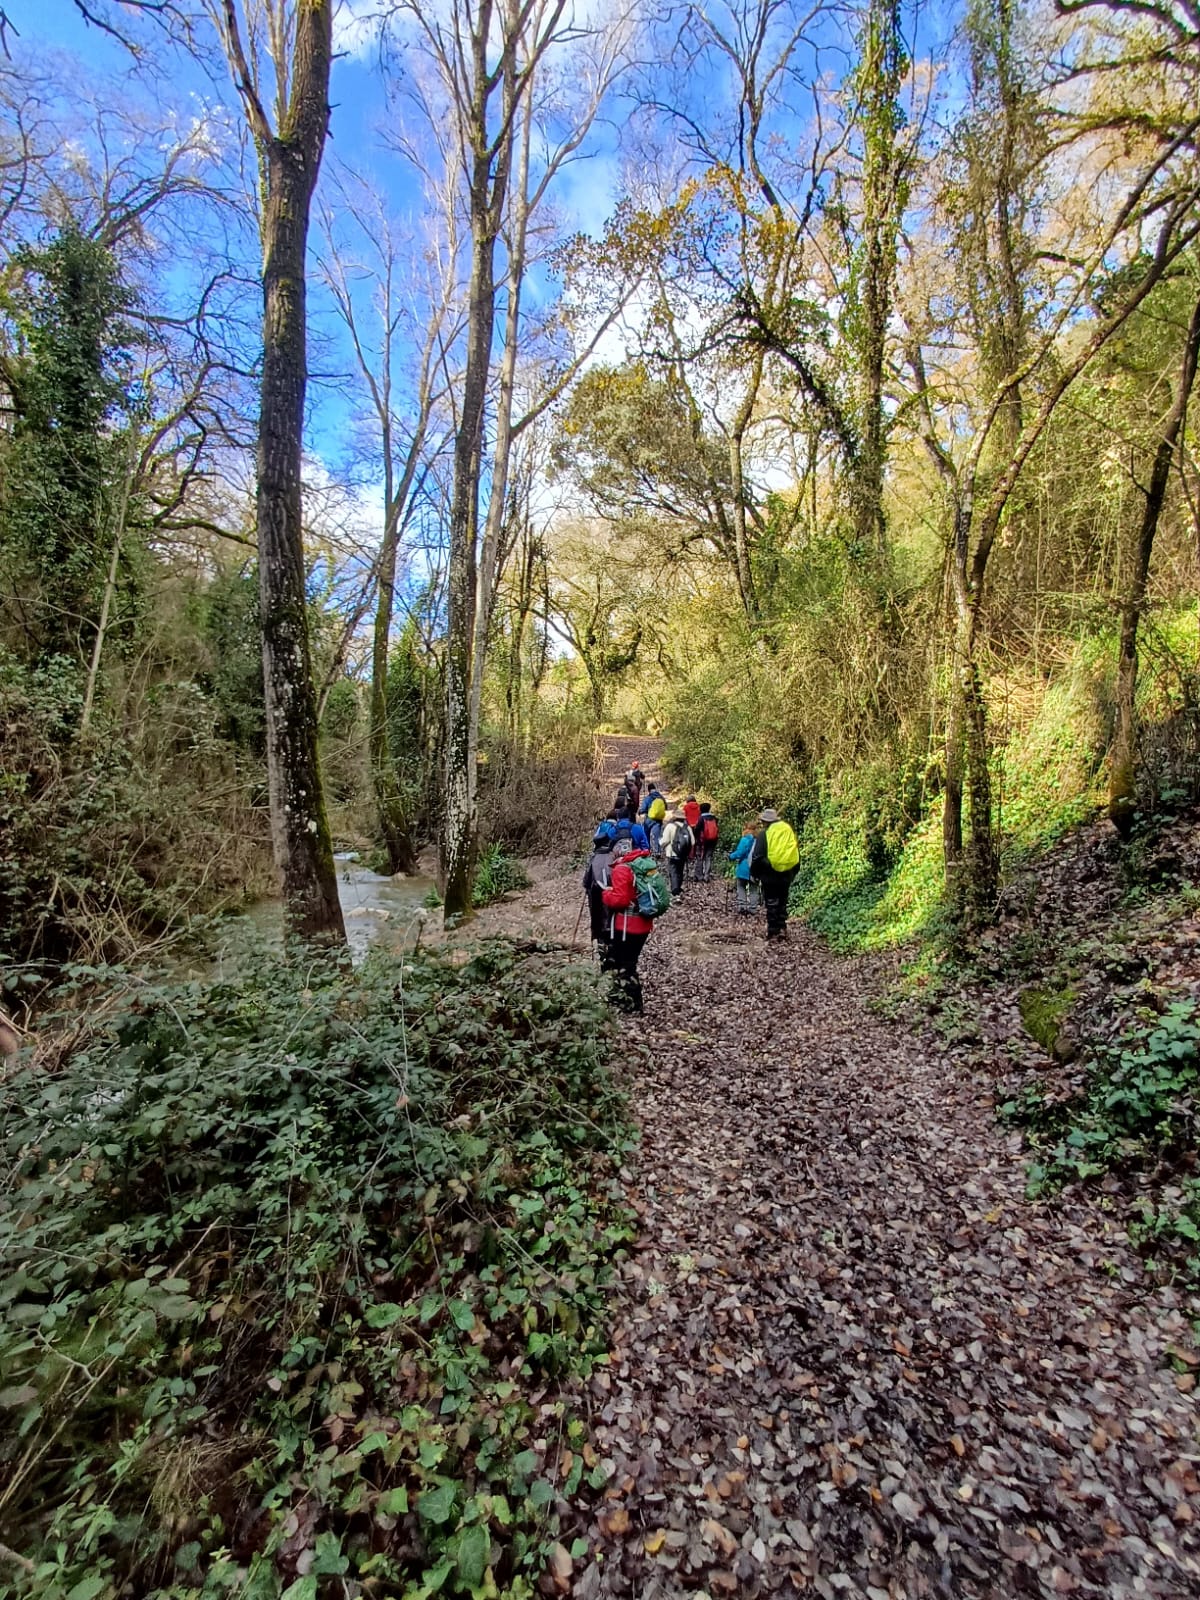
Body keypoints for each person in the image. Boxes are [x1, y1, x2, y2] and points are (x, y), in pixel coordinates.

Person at [600, 836, 656, 1014]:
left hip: (627, 926)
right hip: (643, 924)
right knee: (627, 962)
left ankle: (631, 1003)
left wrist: (606, 895)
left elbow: (621, 900)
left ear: (617, 850)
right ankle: (626, 1000)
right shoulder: (641, 863)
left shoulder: (622, 869)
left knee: (625, 964)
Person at [750, 807, 800, 942]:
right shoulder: (787, 830)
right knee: (783, 902)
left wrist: (754, 874)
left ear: (765, 821)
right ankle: (783, 928)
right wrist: (793, 871)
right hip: (787, 873)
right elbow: (794, 850)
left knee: (771, 902)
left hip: (769, 874)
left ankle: (773, 932)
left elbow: (757, 856)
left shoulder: (764, 834)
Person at [582, 823, 617, 955]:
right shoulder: (612, 857)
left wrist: (587, 888)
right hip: (611, 893)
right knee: (610, 918)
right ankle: (611, 944)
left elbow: (586, 881)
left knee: (596, 919)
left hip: (595, 895)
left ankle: (600, 944)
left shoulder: (593, 859)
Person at [660, 809, 693, 897]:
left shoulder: (670, 826)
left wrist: (661, 845)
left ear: (675, 817)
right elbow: (692, 842)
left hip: (672, 853)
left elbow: (665, 841)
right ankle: (678, 886)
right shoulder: (687, 827)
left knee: (673, 870)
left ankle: (675, 889)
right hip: (683, 853)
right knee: (680, 870)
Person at [728, 826, 760, 914]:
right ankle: (753, 909)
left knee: (741, 886)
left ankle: (742, 906)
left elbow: (740, 853)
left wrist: (731, 856)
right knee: (754, 888)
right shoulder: (758, 841)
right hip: (755, 868)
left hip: (743, 867)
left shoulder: (744, 840)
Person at [695, 802, 719, 882]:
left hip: (702, 841)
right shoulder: (714, 818)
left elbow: (697, 830)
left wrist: (696, 839)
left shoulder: (701, 818)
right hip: (712, 840)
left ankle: (700, 875)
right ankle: (706, 876)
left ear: (701, 810)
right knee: (708, 857)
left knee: (700, 857)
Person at [641, 783, 666, 856]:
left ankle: (647, 850)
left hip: (649, 820)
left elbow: (643, 809)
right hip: (658, 820)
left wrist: (641, 811)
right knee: (657, 836)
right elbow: (665, 807)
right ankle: (657, 851)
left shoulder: (647, 798)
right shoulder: (661, 797)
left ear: (648, 790)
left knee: (646, 834)